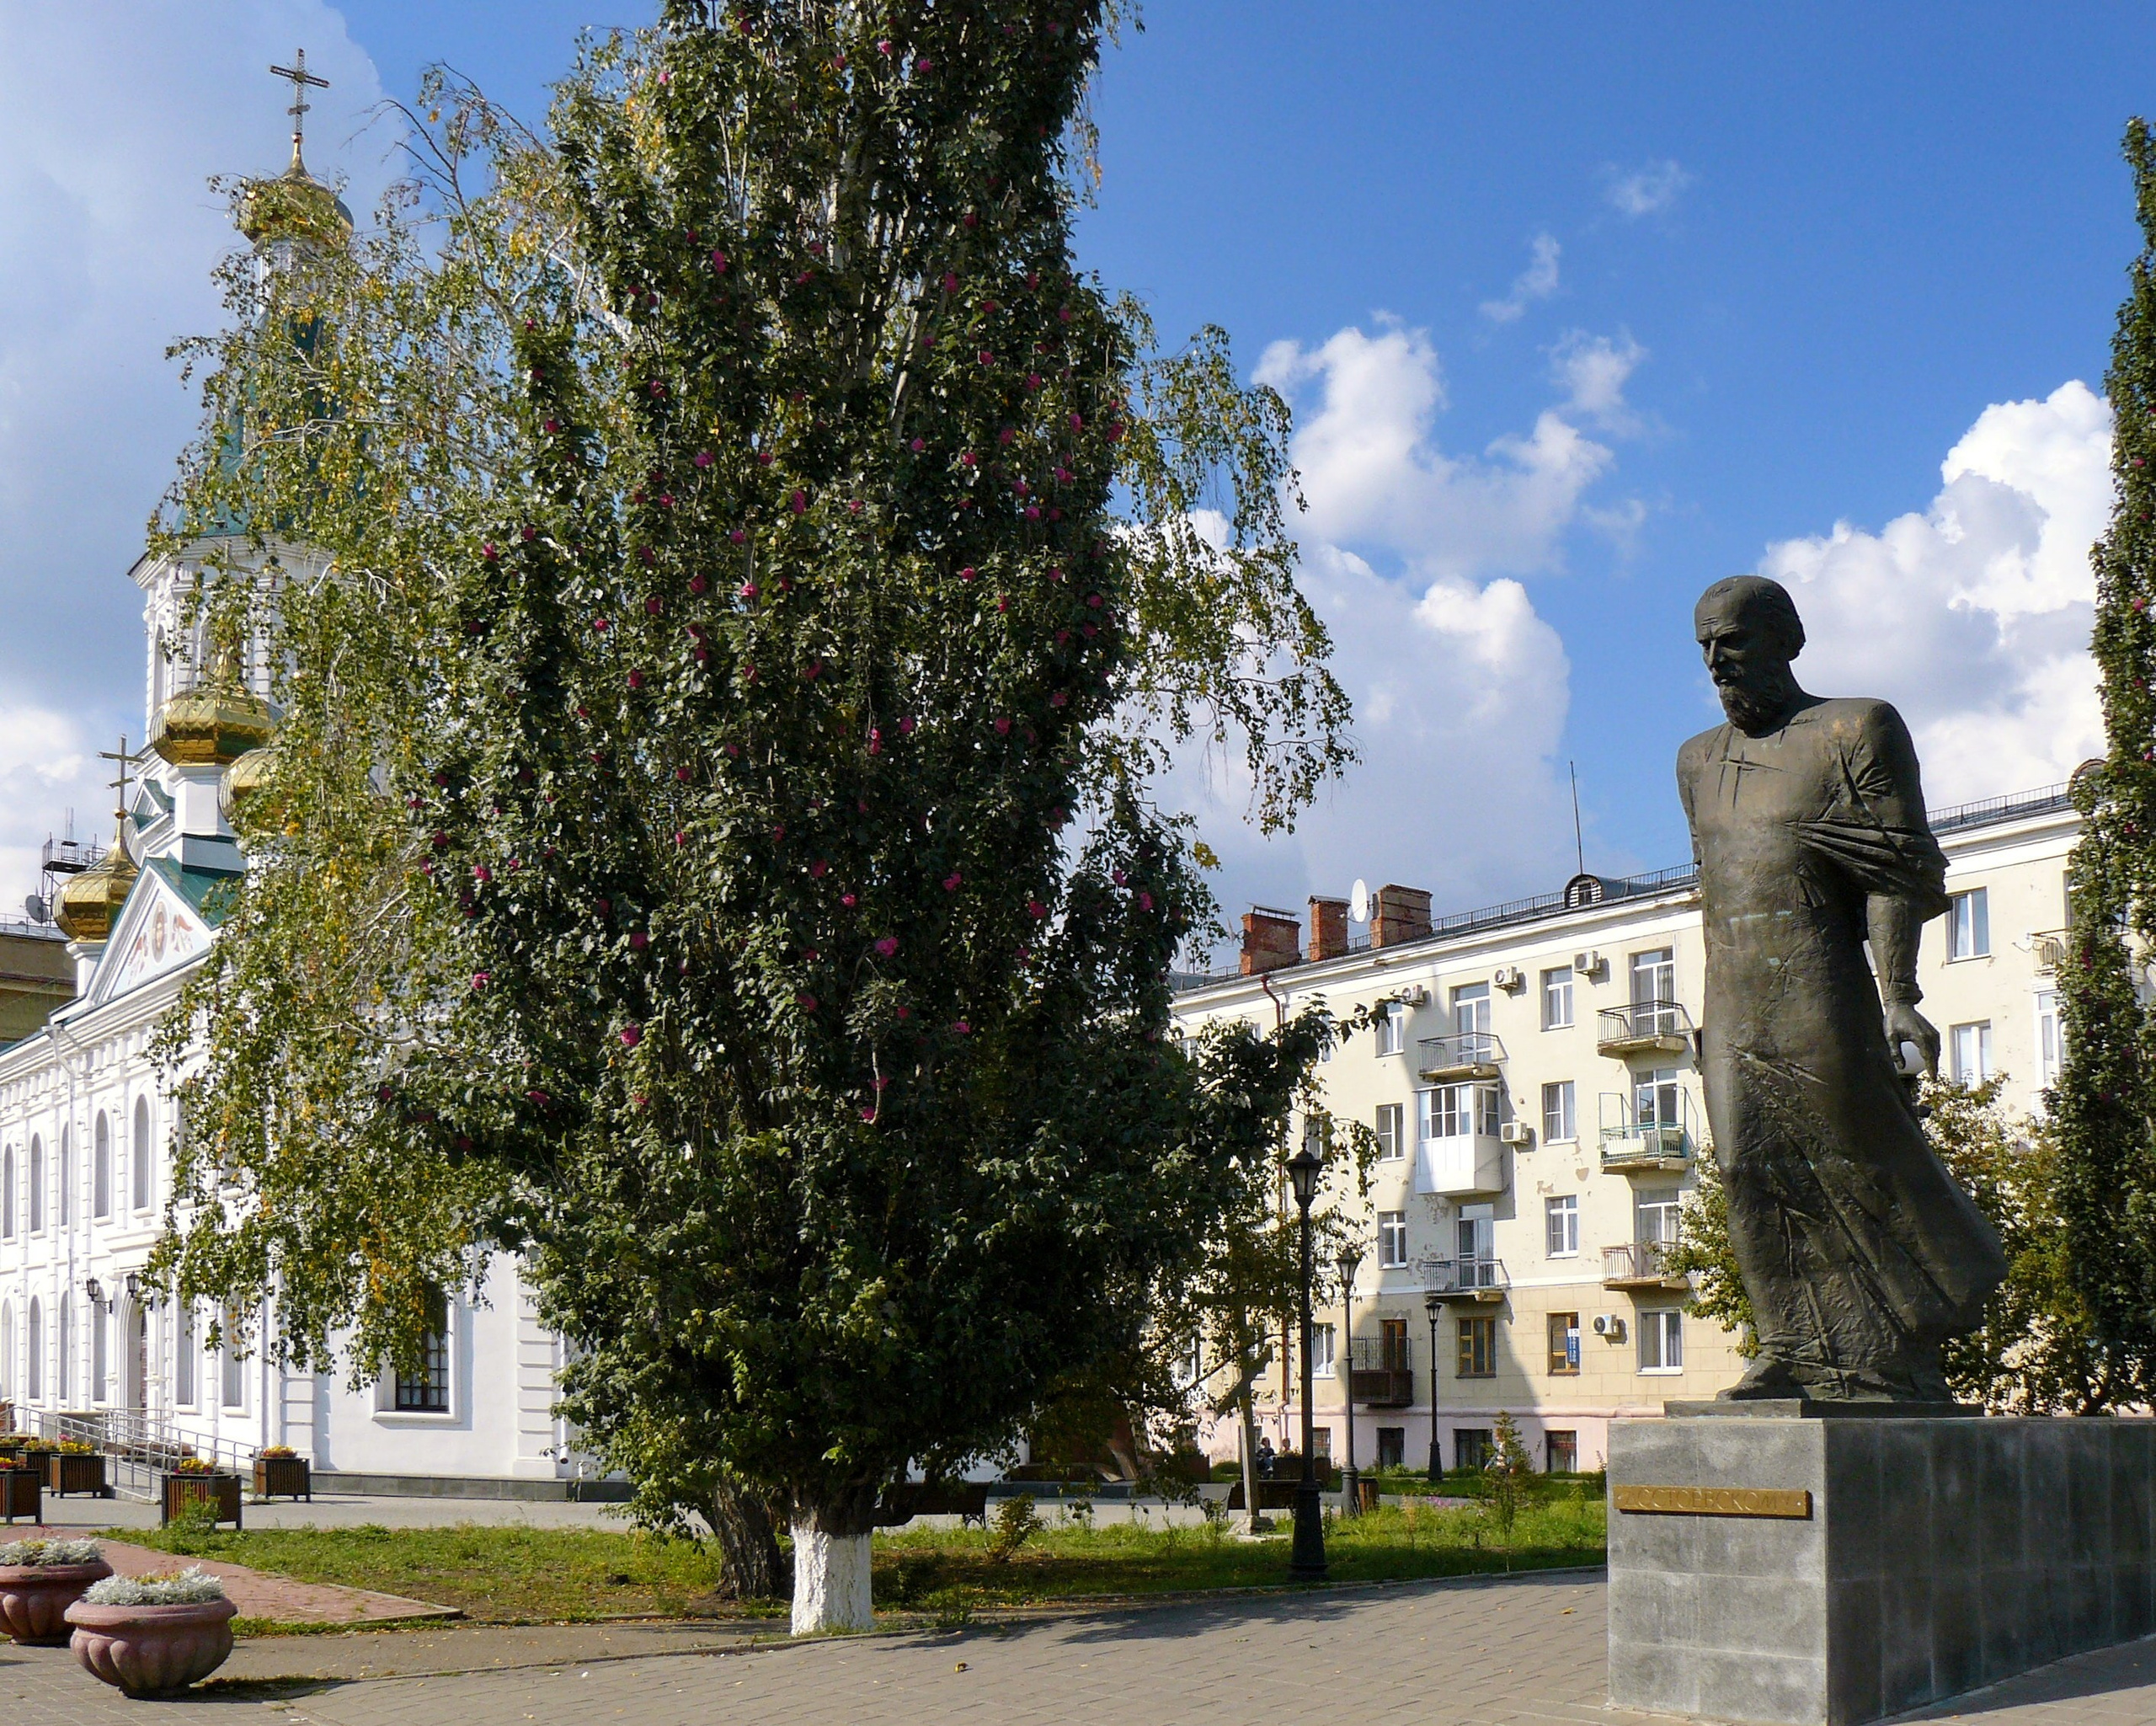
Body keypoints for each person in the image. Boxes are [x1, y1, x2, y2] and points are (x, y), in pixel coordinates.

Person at [1676, 575, 2006, 1403]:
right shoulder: (1695, 762)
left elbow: (1895, 871)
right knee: (1749, 1173)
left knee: (1854, 1158)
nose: (1718, 660)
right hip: (1731, 998)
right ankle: (1789, 1346)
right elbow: (1714, 883)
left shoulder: (1855, 728)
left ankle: (1895, 1345)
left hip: (1818, 986)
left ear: (1786, 640)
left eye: (1733, 641)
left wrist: (1899, 994)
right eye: (1706, 646)